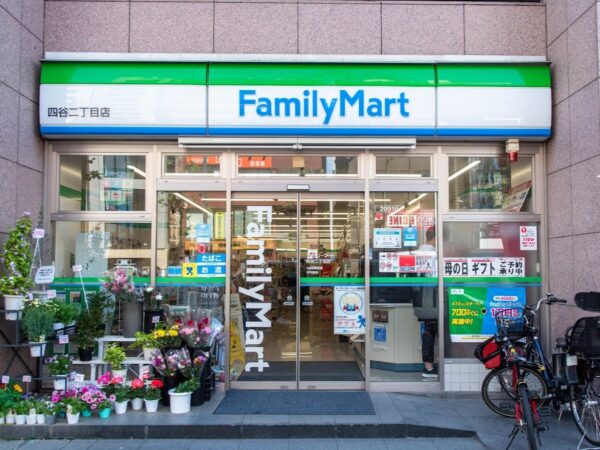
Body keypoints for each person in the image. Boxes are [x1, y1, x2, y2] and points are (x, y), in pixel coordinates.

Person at [413, 227, 438, 378]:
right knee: (434, 331)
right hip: (433, 299)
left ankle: (428, 367)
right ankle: (431, 367)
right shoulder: (435, 254)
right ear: (436, 238)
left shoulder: (417, 253)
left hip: (422, 299)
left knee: (428, 332)